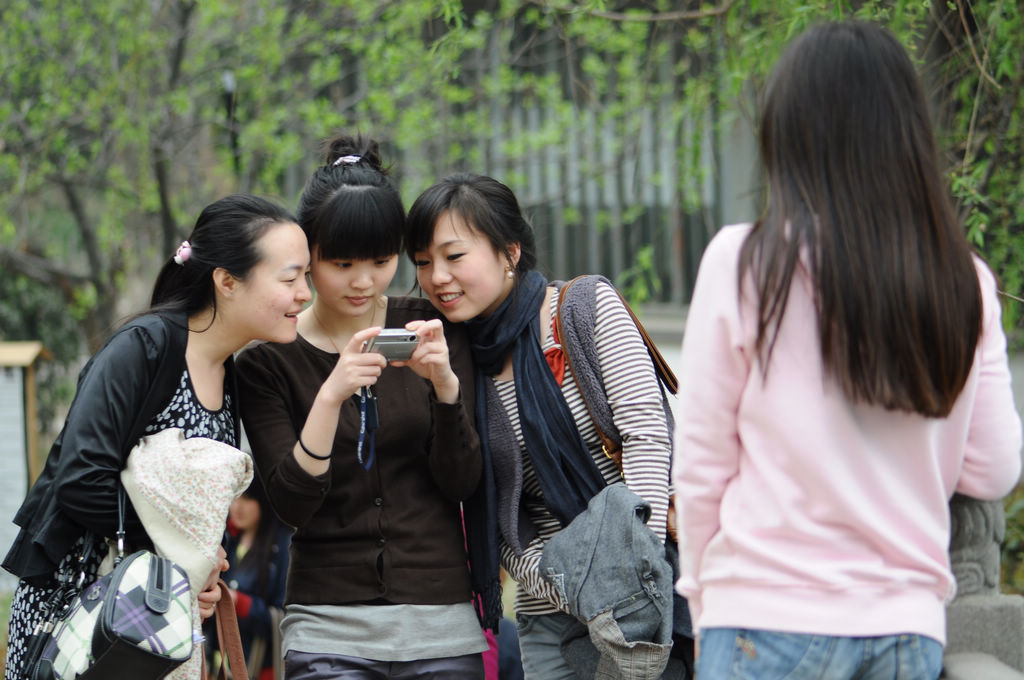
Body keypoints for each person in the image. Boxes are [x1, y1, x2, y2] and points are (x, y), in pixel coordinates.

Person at [672, 20, 1023, 680]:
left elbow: (700, 469)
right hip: (903, 627)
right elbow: (995, 469)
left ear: (789, 134)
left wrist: (699, 601)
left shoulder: (745, 262)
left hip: (762, 615)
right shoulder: (963, 278)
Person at [2, 193, 312, 680]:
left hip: (155, 621)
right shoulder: (144, 348)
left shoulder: (229, 375)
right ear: (227, 281)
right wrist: (186, 558)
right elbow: (80, 478)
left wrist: (205, 570)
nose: (305, 294)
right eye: (291, 278)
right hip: (80, 613)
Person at [235, 135, 487, 679]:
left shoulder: (432, 327)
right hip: (327, 629)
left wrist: (445, 387)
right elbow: (290, 505)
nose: (364, 281)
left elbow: (463, 481)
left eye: (380, 260)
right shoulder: (268, 362)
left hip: (440, 624)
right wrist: (331, 393)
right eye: (341, 262)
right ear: (309, 255)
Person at [404, 173, 675, 679]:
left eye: (454, 256)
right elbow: (488, 505)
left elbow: (647, 437)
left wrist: (636, 574)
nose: (437, 276)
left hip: (645, 594)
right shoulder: (448, 358)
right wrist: (566, 586)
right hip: (550, 611)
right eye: (422, 262)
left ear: (509, 252)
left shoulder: (581, 309)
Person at [208, 478, 292, 680]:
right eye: (234, 496)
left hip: (258, 668)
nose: (237, 506)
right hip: (219, 665)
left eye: (246, 498)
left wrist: (237, 601)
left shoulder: (284, 546)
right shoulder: (227, 539)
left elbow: (285, 618)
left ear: (264, 499)